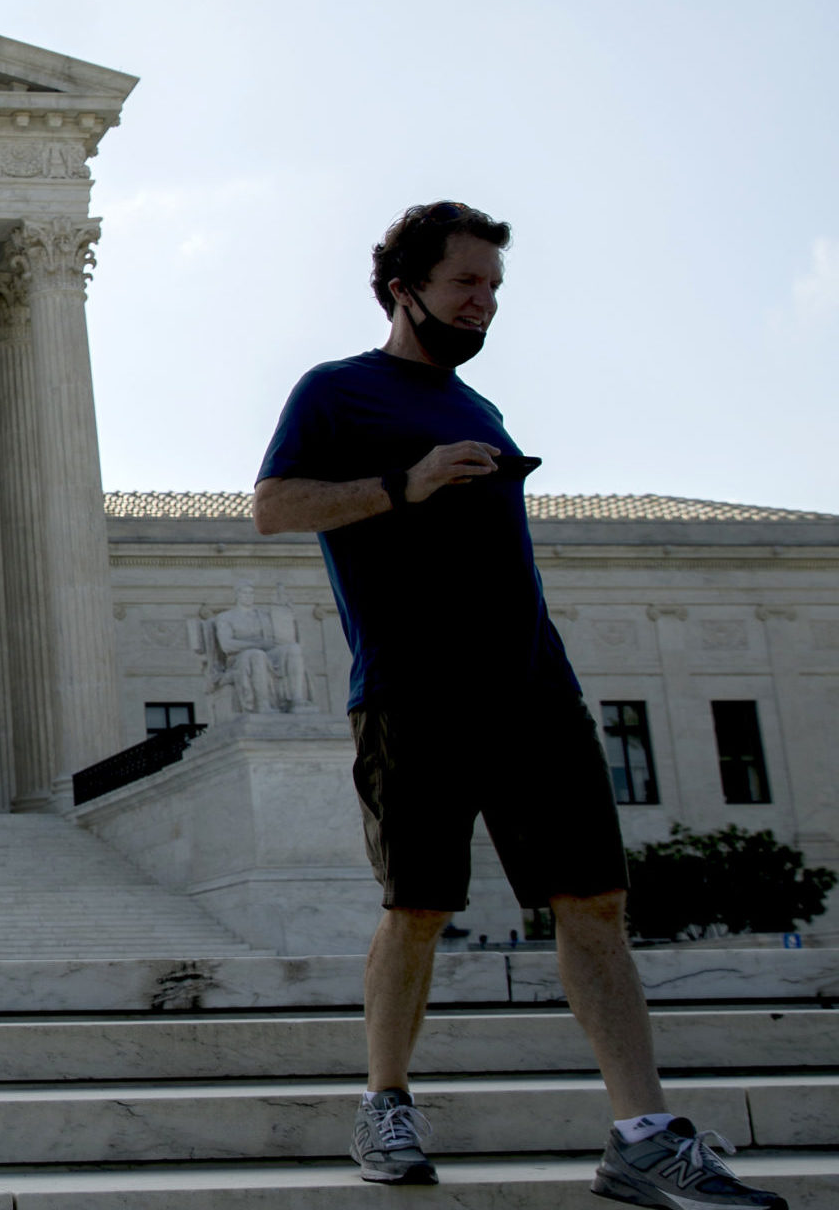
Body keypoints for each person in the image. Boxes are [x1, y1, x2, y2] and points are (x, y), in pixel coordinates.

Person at [253, 202, 783, 1208]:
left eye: (493, 290)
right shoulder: (334, 392)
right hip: (412, 689)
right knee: (418, 906)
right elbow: (274, 508)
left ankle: (639, 1132)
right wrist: (405, 485)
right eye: (465, 285)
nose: (483, 305)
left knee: (593, 902)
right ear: (403, 287)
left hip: (534, 686)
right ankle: (386, 1103)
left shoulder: (481, 409)